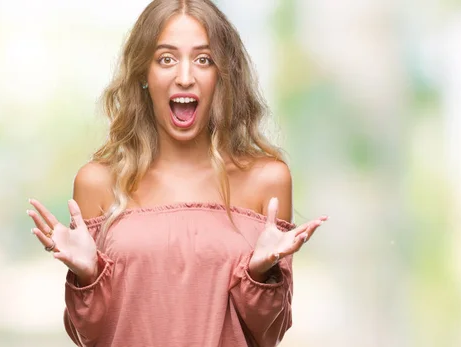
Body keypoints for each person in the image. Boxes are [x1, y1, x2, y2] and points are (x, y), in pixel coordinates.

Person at [26, 1, 327, 346]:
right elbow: (87, 337)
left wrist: (261, 275)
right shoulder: (97, 183)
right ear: (143, 74)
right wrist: (87, 278)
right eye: (166, 59)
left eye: (203, 59)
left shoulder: (267, 180)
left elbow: (269, 334)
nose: (185, 77)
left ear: (223, 75)